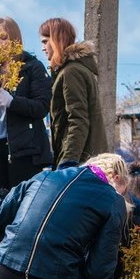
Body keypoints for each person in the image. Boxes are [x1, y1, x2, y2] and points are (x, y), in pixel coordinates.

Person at [0, 16, 53, 192]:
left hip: (24, 151)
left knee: (21, 205)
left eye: (3, 37)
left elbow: (42, 107)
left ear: (15, 38)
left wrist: (11, 102)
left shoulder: (32, 67)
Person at [39, 18, 107, 169]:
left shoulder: (71, 72)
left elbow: (78, 119)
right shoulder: (72, 70)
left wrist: (68, 160)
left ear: (57, 40)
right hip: (84, 158)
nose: (43, 48)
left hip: (81, 161)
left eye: (45, 41)